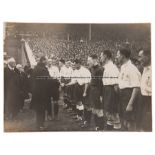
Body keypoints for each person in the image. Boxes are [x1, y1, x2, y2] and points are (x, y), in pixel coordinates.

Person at [117, 48, 141, 131]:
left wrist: (130, 104)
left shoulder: (132, 68)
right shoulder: (123, 67)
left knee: (130, 122)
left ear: (123, 56)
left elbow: (136, 87)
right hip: (122, 96)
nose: (116, 57)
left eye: (118, 55)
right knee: (124, 120)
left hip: (128, 96)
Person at [100, 50, 121, 131]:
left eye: (101, 56)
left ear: (105, 56)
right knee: (108, 114)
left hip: (111, 92)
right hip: (107, 90)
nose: (100, 58)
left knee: (114, 114)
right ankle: (109, 131)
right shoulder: (107, 67)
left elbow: (116, 85)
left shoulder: (112, 68)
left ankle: (117, 130)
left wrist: (115, 98)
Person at [84, 54, 104, 131]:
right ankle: (97, 126)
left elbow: (101, 84)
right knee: (94, 110)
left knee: (99, 111)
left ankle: (100, 128)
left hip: (98, 93)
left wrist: (101, 96)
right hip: (93, 92)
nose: (87, 62)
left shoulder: (100, 69)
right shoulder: (92, 69)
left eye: (89, 60)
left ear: (95, 60)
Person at [31, 56, 50, 130]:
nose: (47, 61)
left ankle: (38, 124)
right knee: (42, 109)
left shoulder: (36, 68)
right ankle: (41, 125)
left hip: (37, 92)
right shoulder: (43, 69)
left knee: (38, 109)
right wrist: (56, 82)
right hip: (42, 93)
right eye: (46, 60)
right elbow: (47, 80)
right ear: (43, 61)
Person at [138, 49, 152, 131]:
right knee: (142, 126)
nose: (139, 60)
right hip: (142, 100)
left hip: (149, 100)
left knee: (148, 127)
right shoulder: (144, 68)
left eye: (140, 57)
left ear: (148, 56)